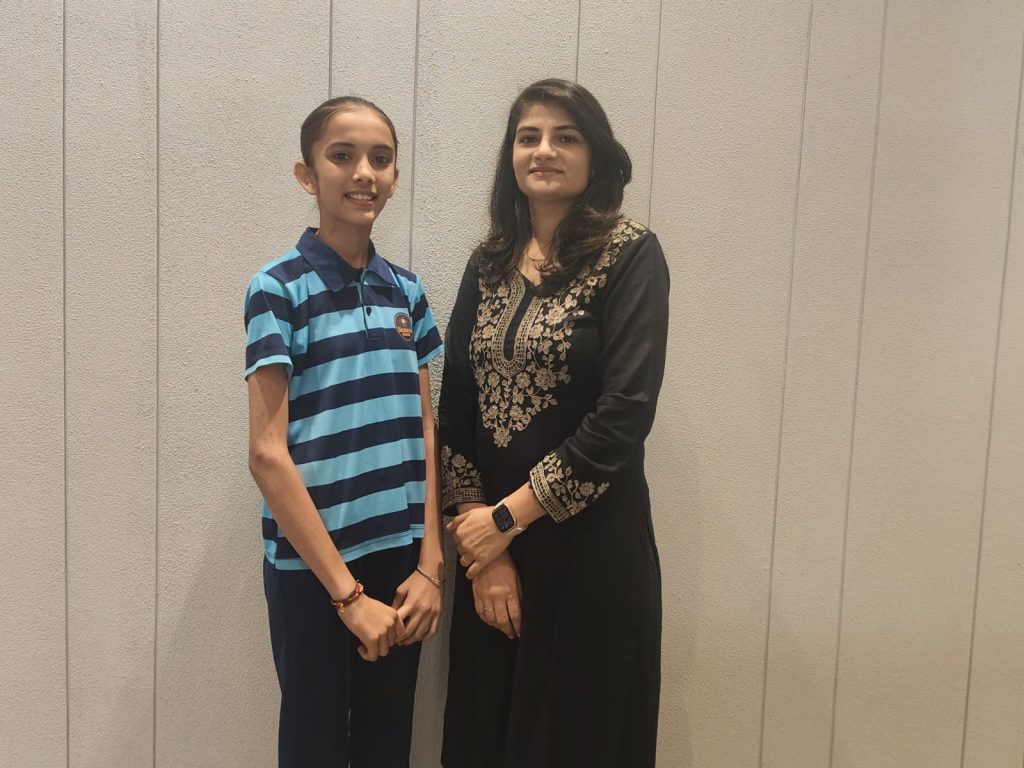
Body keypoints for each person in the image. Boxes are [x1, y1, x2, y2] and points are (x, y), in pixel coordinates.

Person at [439, 78, 669, 768]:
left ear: (595, 156)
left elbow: (624, 415)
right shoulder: (486, 266)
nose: (544, 150)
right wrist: (487, 549)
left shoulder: (630, 255)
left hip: (589, 551)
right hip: (493, 557)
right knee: (486, 732)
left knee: (575, 738)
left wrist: (505, 520)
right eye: (529, 136)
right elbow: (456, 411)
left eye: (565, 137)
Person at [244, 96, 444, 768]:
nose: (364, 172)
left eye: (381, 159)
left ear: (395, 176)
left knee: (388, 746)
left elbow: (424, 428)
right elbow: (267, 455)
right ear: (307, 175)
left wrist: (431, 564)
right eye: (343, 155)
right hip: (312, 572)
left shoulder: (406, 291)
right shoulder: (277, 289)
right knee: (315, 749)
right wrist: (348, 596)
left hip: (401, 563)